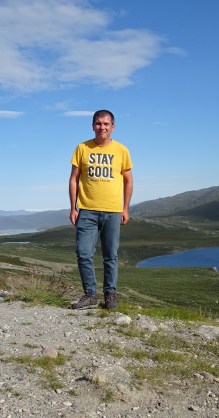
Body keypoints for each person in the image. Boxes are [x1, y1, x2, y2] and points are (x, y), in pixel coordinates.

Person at [68, 110, 133, 310]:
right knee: (83, 253)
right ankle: (90, 294)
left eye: (106, 124)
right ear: (92, 126)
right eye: (98, 123)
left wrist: (125, 208)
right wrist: (73, 207)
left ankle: (110, 295)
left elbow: (128, 180)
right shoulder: (82, 148)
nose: (102, 127)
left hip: (112, 211)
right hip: (87, 210)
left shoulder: (121, 150)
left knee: (110, 255)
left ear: (113, 126)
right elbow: (74, 179)